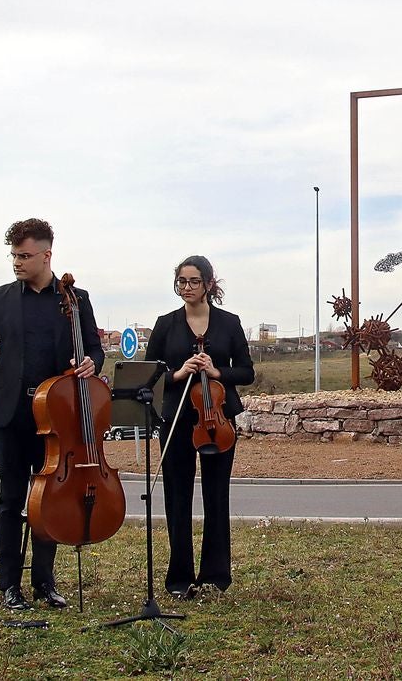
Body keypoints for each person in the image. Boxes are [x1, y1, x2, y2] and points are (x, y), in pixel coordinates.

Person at [0, 218, 102, 611]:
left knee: (50, 499)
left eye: (25, 256)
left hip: (57, 416)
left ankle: (44, 582)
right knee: (10, 499)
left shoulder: (75, 299)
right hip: (12, 414)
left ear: (47, 255)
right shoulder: (0, 298)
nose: (17, 262)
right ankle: (9, 586)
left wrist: (91, 363)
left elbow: (94, 347)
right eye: (14, 255)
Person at [145, 255, 254, 598]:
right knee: (177, 497)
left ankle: (215, 577)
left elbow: (247, 372)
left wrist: (217, 371)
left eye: (193, 281)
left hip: (218, 419)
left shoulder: (229, 323)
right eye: (181, 281)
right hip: (178, 417)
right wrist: (179, 372)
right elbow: (150, 375)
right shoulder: (166, 324)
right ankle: (179, 579)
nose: (187, 287)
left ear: (208, 284)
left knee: (216, 495)